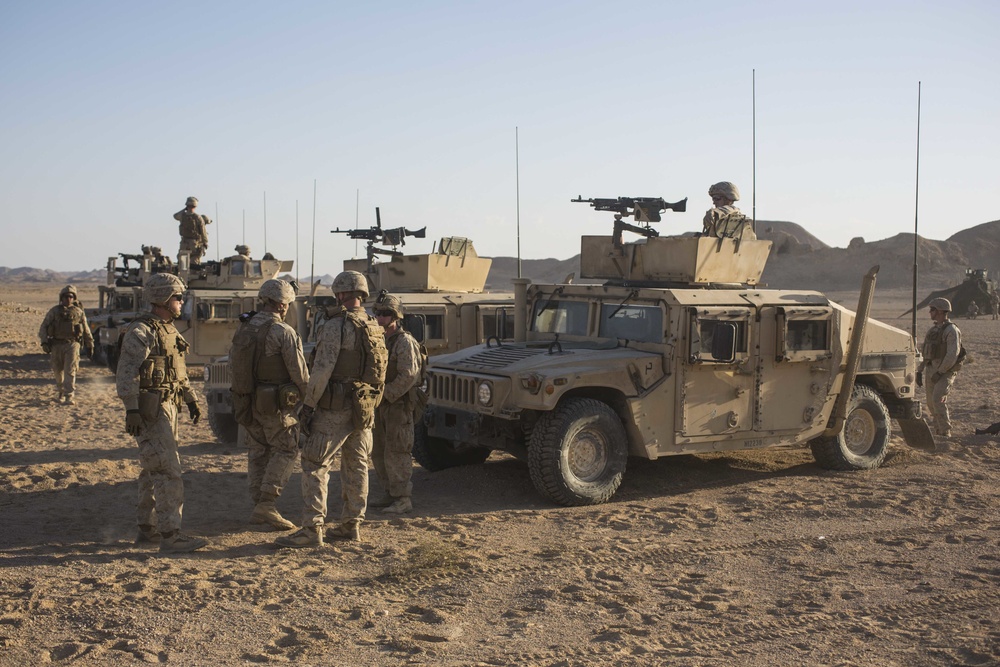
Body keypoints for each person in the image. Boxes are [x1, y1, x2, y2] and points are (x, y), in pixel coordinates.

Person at [276, 271, 387, 548]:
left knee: (314, 464)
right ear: (361, 295)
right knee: (357, 465)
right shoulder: (373, 325)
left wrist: (309, 406)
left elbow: (323, 369)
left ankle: (312, 529)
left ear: (339, 295)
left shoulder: (336, 325)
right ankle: (352, 525)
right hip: (364, 408)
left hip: (335, 407)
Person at [116, 273, 208, 552]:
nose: (182, 302)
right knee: (168, 471)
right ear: (163, 300)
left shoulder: (168, 330)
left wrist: (190, 398)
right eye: (178, 297)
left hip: (169, 406)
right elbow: (126, 373)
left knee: (152, 469)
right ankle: (171, 536)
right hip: (152, 410)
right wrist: (131, 408)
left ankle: (148, 528)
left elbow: (177, 371)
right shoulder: (141, 331)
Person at [229, 279, 309, 531]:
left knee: (258, 451)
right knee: (286, 449)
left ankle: (258, 503)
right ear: (284, 304)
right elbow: (300, 374)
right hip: (274, 404)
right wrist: (309, 401)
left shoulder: (243, 328)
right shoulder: (282, 332)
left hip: (247, 401)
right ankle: (267, 504)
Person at [370, 293, 424, 515]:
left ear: (396, 316)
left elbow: (409, 375)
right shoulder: (380, 340)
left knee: (397, 451)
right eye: (378, 314)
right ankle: (389, 492)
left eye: (386, 314)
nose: (380, 318)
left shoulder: (404, 342)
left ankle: (403, 498)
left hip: (398, 405)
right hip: (381, 405)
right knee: (379, 450)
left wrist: (386, 395)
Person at [38, 284, 94, 405]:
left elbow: (86, 329)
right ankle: (61, 391)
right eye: (65, 296)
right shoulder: (54, 311)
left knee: (70, 370)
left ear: (74, 298)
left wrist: (90, 344)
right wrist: (44, 342)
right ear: (61, 298)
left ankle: (69, 395)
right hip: (56, 345)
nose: (68, 299)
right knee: (58, 371)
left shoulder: (78, 312)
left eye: (70, 296)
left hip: (72, 344)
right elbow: (44, 327)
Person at [917, 297, 963, 438]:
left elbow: (952, 355)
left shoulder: (951, 330)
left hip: (945, 372)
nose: (930, 312)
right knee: (931, 403)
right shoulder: (933, 330)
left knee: (938, 399)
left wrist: (941, 372)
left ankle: (945, 430)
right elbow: (926, 352)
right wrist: (920, 370)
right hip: (932, 369)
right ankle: (938, 429)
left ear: (941, 311)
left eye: (933, 309)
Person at [173, 196, 212, 263]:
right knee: (194, 263)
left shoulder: (182, 216)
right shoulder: (198, 217)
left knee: (182, 263)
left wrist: (184, 209)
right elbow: (203, 232)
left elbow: (175, 216)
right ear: (195, 206)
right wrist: (205, 243)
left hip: (184, 244)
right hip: (194, 244)